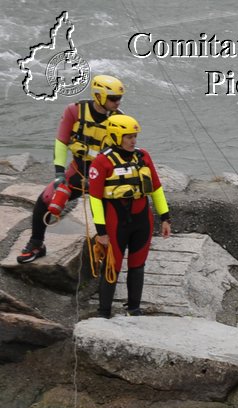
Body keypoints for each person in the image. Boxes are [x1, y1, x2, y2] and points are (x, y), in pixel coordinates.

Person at [16, 73, 125, 264]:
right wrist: (59, 173)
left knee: (112, 214)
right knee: (46, 200)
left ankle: (112, 250)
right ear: (99, 96)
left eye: (119, 98)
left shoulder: (121, 119)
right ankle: (37, 244)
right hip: (79, 171)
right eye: (113, 98)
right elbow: (61, 141)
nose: (117, 102)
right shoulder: (74, 111)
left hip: (106, 176)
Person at [86, 114, 173, 319]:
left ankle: (134, 309)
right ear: (116, 136)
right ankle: (103, 312)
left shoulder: (143, 156)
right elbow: (95, 199)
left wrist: (165, 218)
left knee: (138, 265)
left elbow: (157, 189)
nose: (133, 140)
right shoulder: (102, 162)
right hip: (115, 223)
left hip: (142, 220)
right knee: (112, 266)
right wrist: (101, 232)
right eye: (128, 137)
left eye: (134, 136)